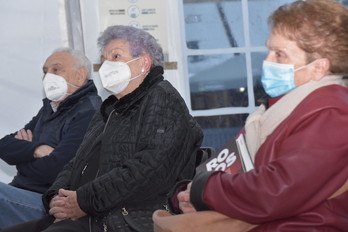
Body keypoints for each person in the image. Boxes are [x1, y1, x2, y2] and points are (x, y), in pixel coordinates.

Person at [2, 25, 203, 232]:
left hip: (126, 218)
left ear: (143, 63)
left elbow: (147, 170)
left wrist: (82, 201)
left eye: (115, 56)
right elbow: (75, 163)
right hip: (91, 212)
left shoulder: (163, 100)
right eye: (104, 59)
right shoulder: (110, 109)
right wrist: (54, 197)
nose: (107, 65)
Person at [170, 0, 348, 231]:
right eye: (269, 50)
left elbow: (277, 191)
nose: (267, 61)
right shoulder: (285, 107)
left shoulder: (332, 113)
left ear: (319, 67)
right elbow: (236, 166)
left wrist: (202, 190)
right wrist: (186, 193)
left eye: (279, 54)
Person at [0, 47, 102, 229]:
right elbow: (4, 146)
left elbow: (56, 170)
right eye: (45, 72)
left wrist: (21, 158)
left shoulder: (89, 112)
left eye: (56, 69)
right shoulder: (51, 108)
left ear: (80, 75)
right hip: (21, 191)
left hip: (46, 203)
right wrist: (37, 150)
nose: (48, 76)